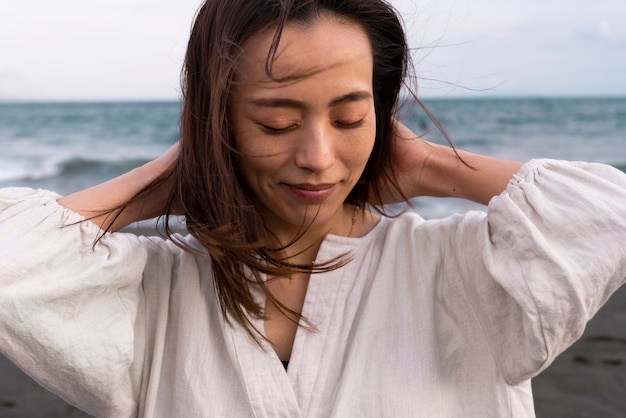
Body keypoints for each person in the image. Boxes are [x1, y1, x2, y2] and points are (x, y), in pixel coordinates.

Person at [0, 0, 625, 416]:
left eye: (351, 118)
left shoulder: (462, 271)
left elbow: (608, 214)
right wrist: (169, 177)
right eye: (275, 122)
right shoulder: (154, 289)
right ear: (216, 121)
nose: (319, 157)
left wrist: (434, 167)